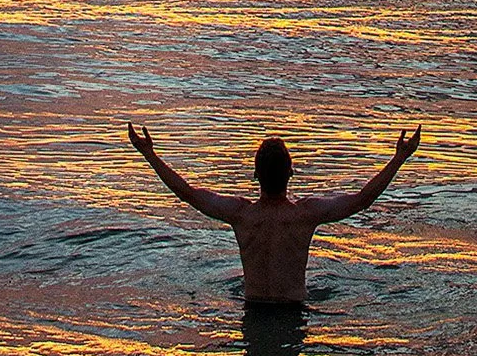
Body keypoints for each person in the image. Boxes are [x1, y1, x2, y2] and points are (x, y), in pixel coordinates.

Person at [125, 123, 422, 304]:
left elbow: (187, 193)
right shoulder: (304, 215)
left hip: (251, 309)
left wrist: (149, 154)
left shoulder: (241, 215)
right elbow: (362, 199)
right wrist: (400, 158)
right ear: (291, 173)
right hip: (294, 312)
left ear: (255, 175)